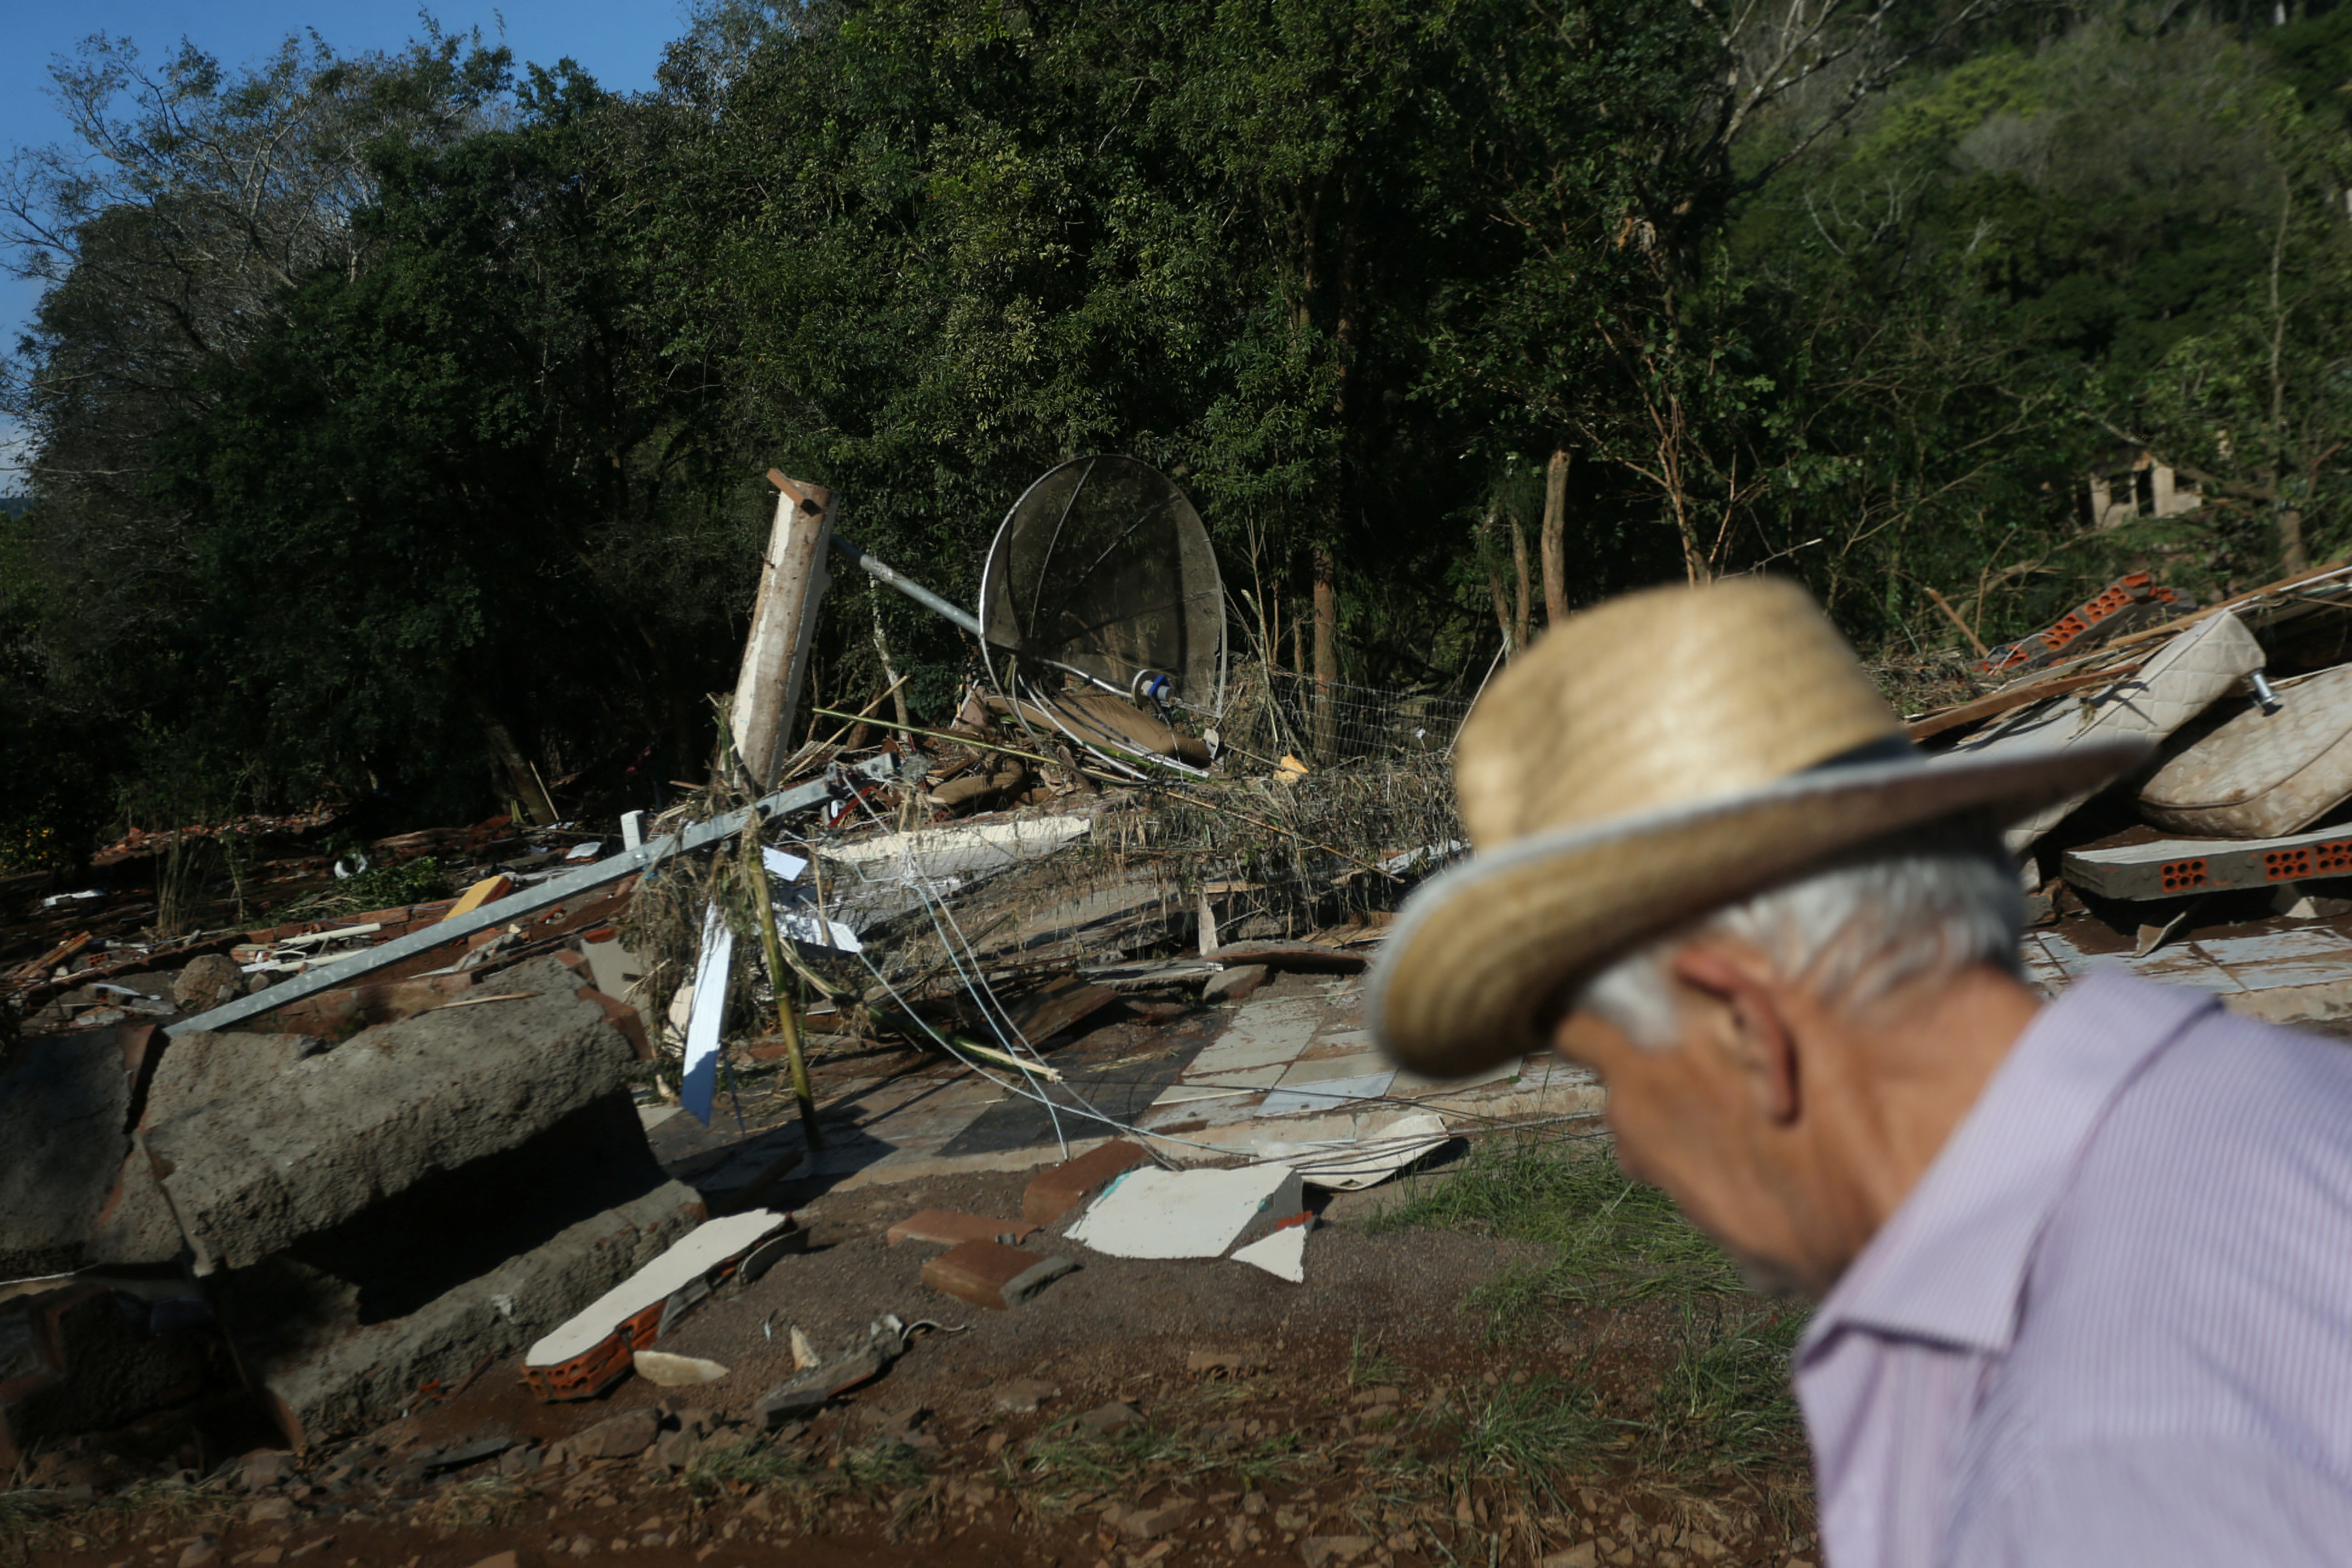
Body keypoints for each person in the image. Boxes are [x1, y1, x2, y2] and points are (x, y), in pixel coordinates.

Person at [1370, 577, 2352, 1568]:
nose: (1626, 1148)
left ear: (1748, 1028)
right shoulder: (2264, 1098)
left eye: (1611, 1074)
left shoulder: (2087, 1475)